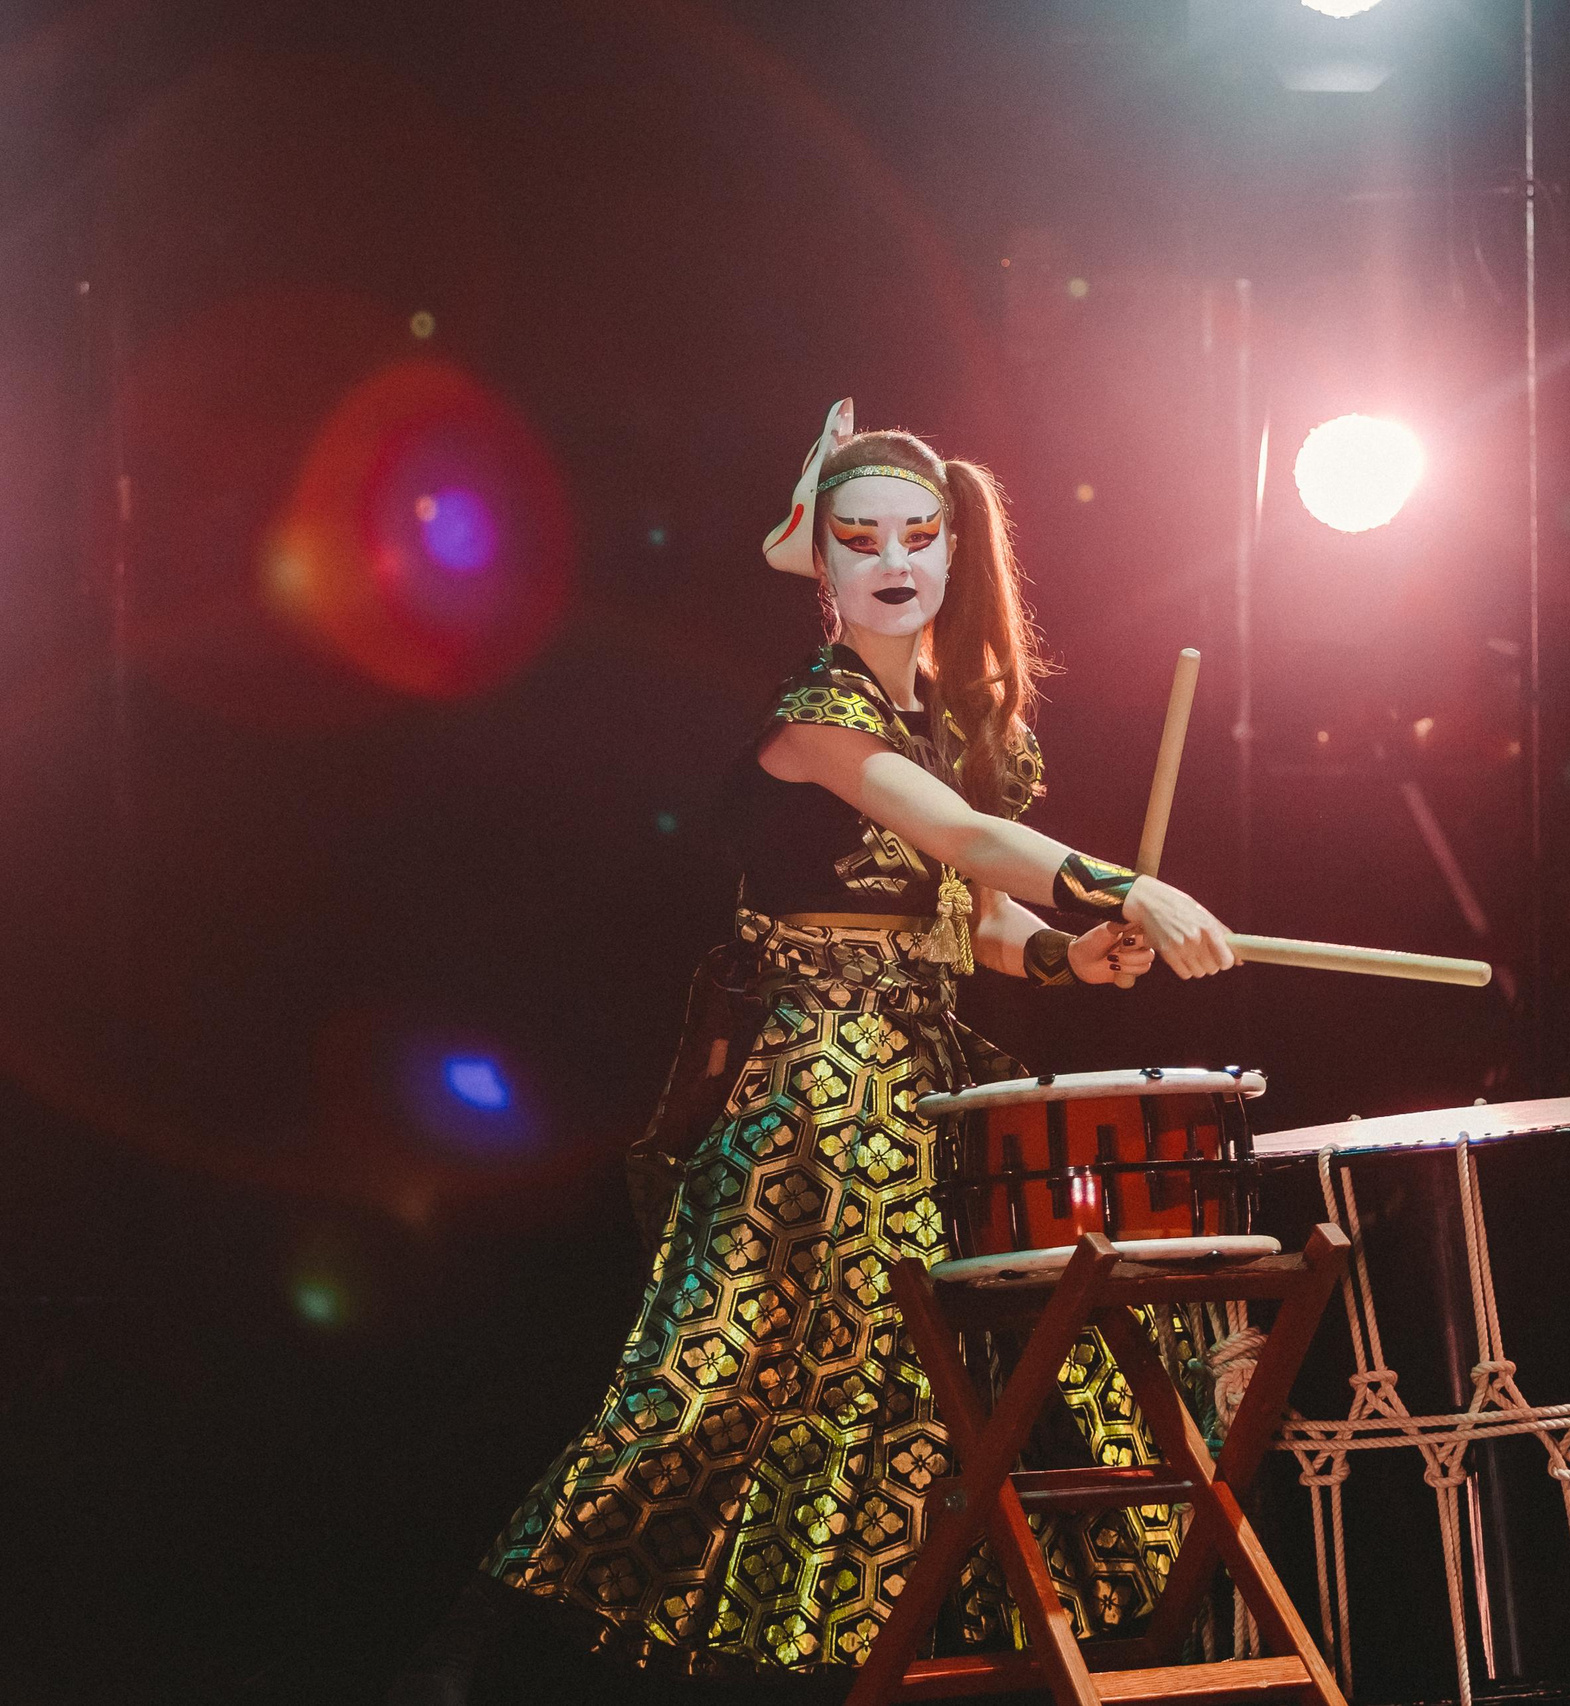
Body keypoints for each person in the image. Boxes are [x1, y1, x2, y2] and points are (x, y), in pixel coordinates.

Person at [393, 401, 1236, 1699]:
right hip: (808, 1093)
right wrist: (1120, 885)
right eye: (859, 538)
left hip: (930, 1093)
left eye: (918, 534)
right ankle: (469, 1666)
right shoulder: (818, 713)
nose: (894, 558)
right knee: (712, 1391)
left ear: (955, 553)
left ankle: (882, 1666)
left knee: (935, 1398)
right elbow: (962, 841)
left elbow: (973, 915)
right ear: (825, 567)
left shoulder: (948, 722)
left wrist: (1073, 951)